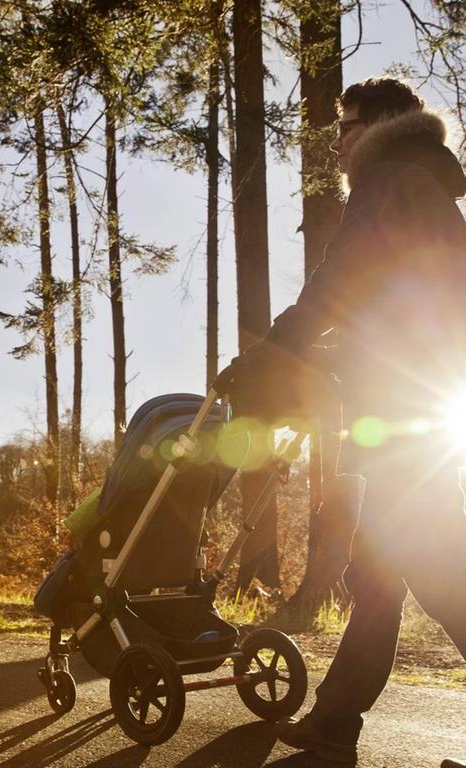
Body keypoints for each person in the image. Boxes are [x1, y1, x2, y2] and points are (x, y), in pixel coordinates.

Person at [213, 77, 466, 768]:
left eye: (345, 126)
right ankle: (333, 722)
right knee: (380, 577)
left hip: (406, 413)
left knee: (437, 571)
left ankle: (334, 721)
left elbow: (338, 283)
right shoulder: (425, 189)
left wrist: (268, 355)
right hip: (421, 402)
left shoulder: (387, 179)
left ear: (379, 125)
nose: (337, 143)